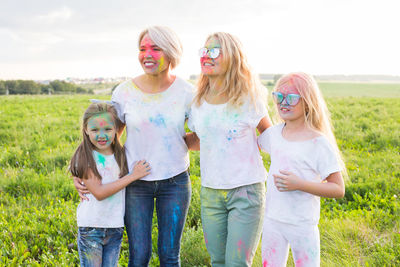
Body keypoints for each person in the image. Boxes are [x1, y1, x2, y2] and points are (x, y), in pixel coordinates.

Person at [73, 26, 194, 267]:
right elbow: (107, 140)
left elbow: (200, 136)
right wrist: (83, 173)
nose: (147, 54)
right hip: (135, 182)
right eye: (142, 49)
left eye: (155, 48)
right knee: (139, 255)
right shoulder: (124, 92)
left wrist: (174, 142)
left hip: (175, 181)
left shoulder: (187, 92)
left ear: (171, 52)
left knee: (170, 255)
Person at [188, 32, 272, 266]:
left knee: (236, 263)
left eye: (214, 51)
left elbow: (269, 136)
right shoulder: (197, 102)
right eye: (204, 51)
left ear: (233, 57)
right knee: (218, 261)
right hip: (211, 193)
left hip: (246, 192)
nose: (207, 56)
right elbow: (201, 140)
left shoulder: (249, 97)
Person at [258, 72, 346, 267]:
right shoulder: (273, 134)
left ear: (307, 101)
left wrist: (300, 184)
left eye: (291, 98)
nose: (283, 102)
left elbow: (338, 189)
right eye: (279, 96)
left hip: (303, 225)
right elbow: (249, 146)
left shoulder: (318, 142)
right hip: (273, 220)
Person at [70, 102, 151, 267]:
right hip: (92, 227)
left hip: (114, 226)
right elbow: (99, 193)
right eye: (95, 130)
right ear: (85, 130)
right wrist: (133, 175)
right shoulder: (86, 156)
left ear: (116, 129)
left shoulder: (120, 154)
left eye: (107, 129)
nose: (102, 135)